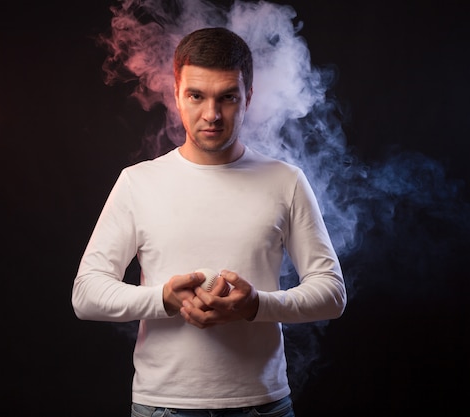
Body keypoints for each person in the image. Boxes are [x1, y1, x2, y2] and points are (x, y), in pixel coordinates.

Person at [72, 27, 346, 417]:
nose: (212, 114)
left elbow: (332, 293)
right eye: (196, 96)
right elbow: (86, 295)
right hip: (163, 407)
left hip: (262, 405)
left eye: (228, 97)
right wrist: (163, 298)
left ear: (248, 96)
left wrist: (257, 306)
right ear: (176, 94)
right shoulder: (138, 182)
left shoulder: (285, 180)